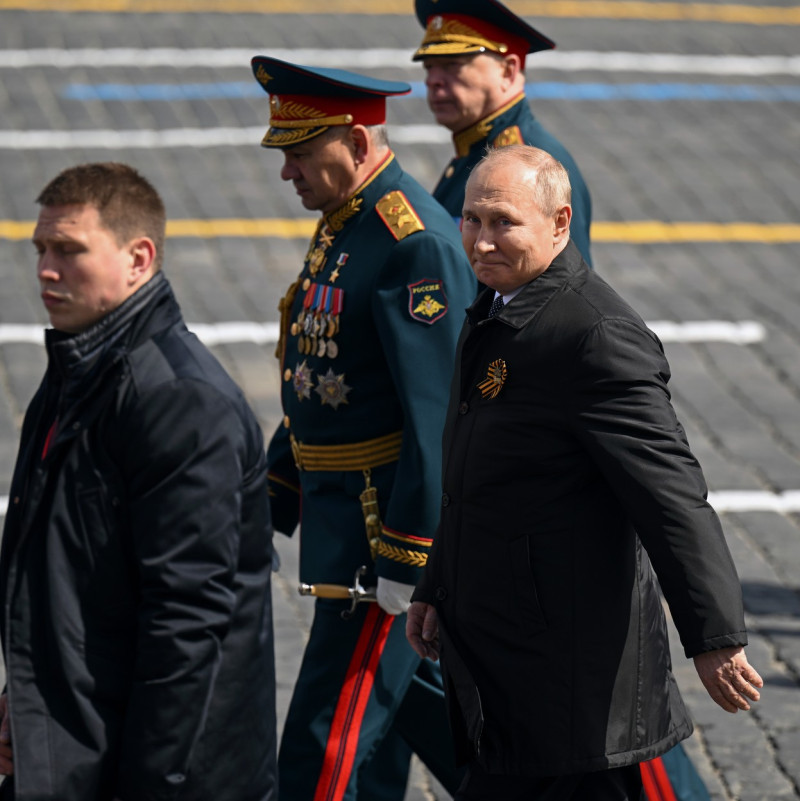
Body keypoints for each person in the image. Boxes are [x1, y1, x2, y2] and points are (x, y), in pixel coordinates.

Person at [406, 145, 763, 800]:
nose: (482, 242)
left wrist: (714, 636)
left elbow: (670, 494)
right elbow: (475, 485)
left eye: (503, 222)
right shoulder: (498, 309)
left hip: (569, 675)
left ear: (560, 222)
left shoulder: (593, 335)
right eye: (471, 220)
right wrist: (438, 585)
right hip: (504, 654)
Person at [0, 163, 277, 800]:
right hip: (77, 737)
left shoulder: (179, 402)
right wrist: (25, 696)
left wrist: (149, 783)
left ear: (138, 258)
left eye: (69, 251)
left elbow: (187, 622)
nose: (45, 269)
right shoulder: (78, 364)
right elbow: (60, 572)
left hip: (155, 770)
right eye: (41, 249)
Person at [250, 56, 476, 800]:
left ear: (352, 141)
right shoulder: (346, 220)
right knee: (434, 715)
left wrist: (406, 563)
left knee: (325, 734)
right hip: (346, 519)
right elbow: (323, 378)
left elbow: (438, 418)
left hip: (384, 538)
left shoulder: (411, 242)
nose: (287, 172)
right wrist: (271, 496)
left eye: (299, 153)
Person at [412, 0, 594, 269]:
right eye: (429, 67)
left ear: (508, 71)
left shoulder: (531, 166)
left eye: (452, 65)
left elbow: (563, 291)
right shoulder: (474, 149)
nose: (433, 80)